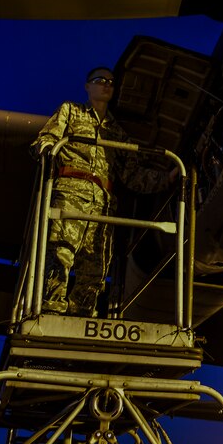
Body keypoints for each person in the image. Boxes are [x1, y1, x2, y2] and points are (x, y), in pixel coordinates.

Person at [30, 66, 179, 317]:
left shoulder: (116, 132)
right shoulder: (71, 111)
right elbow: (46, 139)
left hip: (102, 202)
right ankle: (50, 310)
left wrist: (169, 178)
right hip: (70, 192)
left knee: (96, 264)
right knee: (60, 252)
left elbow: (132, 175)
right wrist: (46, 152)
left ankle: (81, 314)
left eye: (111, 82)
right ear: (87, 86)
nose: (106, 85)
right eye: (100, 80)